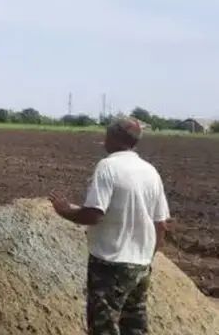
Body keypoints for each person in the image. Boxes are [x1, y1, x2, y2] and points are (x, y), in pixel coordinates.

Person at [49, 116, 170, 335]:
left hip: (110, 265)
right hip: (141, 266)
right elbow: (161, 224)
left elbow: (94, 214)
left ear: (114, 137)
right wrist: (148, 259)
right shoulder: (151, 172)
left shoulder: (108, 167)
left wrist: (65, 210)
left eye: (106, 134)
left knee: (104, 328)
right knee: (134, 327)